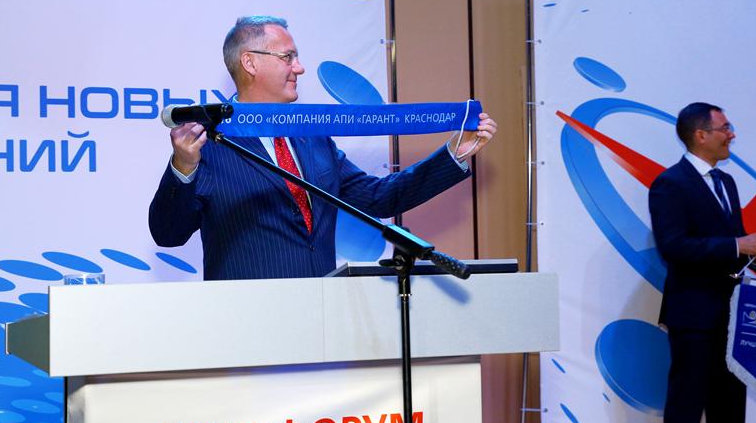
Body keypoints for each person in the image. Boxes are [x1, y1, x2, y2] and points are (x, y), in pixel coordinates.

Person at [149, 15, 497, 280]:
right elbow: (168, 234)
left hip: (322, 319)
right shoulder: (209, 142)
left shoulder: (311, 136)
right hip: (248, 324)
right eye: (288, 57)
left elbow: (380, 198)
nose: (299, 68)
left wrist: (454, 154)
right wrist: (183, 167)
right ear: (250, 62)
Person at [649, 102, 756, 423]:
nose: (732, 134)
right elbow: (673, 247)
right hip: (692, 312)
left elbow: (731, 245)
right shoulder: (670, 184)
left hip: (732, 311)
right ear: (700, 135)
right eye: (725, 127)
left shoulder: (727, 183)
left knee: (730, 401)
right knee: (686, 402)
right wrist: (738, 244)